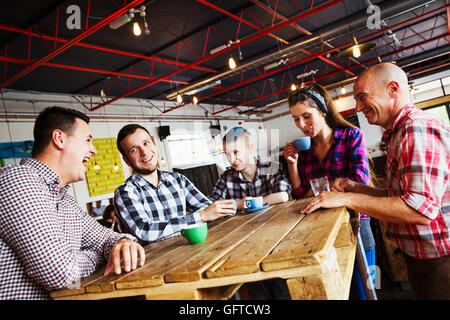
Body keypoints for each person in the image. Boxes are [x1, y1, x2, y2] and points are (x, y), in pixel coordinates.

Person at [301, 63, 450, 299]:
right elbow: (402, 197)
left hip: (440, 257)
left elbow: (419, 210)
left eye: (362, 98)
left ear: (393, 90)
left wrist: (346, 197)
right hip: (422, 254)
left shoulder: (415, 129)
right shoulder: (398, 132)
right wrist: (357, 188)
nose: (358, 107)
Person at [0, 106, 145, 300]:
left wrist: (123, 241)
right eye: (87, 140)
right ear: (59, 138)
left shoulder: (64, 200)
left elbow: (105, 238)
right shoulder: (18, 180)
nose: (93, 150)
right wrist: (102, 256)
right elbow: (60, 273)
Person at [283, 83, 375, 299]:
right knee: (335, 291)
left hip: (357, 222)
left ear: (322, 111)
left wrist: (320, 191)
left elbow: (360, 182)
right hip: (320, 229)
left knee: (367, 289)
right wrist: (292, 165)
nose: (302, 124)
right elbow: (300, 195)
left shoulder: (351, 135)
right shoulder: (303, 151)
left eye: (306, 116)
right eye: (296, 119)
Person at [114, 124, 235, 245]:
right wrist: (200, 216)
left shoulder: (178, 180)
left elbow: (206, 207)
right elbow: (145, 231)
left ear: (154, 144)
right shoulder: (126, 192)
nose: (144, 152)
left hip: (186, 252)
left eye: (146, 143)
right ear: (127, 160)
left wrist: (230, 207)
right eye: (134, 149)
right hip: (154, 261)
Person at [209, 126, 291, 209]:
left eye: (236, 152)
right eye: (227, 154)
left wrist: (249, 203)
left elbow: (283, 196)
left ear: (250, 148)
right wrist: (237, 205)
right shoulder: (226, 177)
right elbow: (212, 204)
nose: (232, 159)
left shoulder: (272, 168)